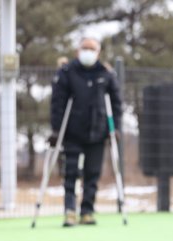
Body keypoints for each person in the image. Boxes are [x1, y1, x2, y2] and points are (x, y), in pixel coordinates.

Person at [50, 37, 122, 227]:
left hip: (97, 132)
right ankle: (70, 211)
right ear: (78, 50)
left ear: (98, 52)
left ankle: (87, 211)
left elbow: (116, 103)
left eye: (92, 49)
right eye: (85, 48)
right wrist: (56, 130)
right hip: (72, 132)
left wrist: (116, 128)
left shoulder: (106, 74)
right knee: (71, 172)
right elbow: (57, 103)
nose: (88, 52)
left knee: (92, 174)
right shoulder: (67, 72)